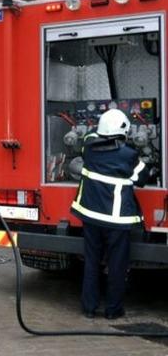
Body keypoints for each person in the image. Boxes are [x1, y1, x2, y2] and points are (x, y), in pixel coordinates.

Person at [70, 109, 150, 320]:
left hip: (91, 218)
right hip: (116, 222)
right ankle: (113, 310)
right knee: (116, 265)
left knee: (92, 262)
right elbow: (143, 177)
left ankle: (89, 308)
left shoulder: (88, 148)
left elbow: (89, 136)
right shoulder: (129, 155)